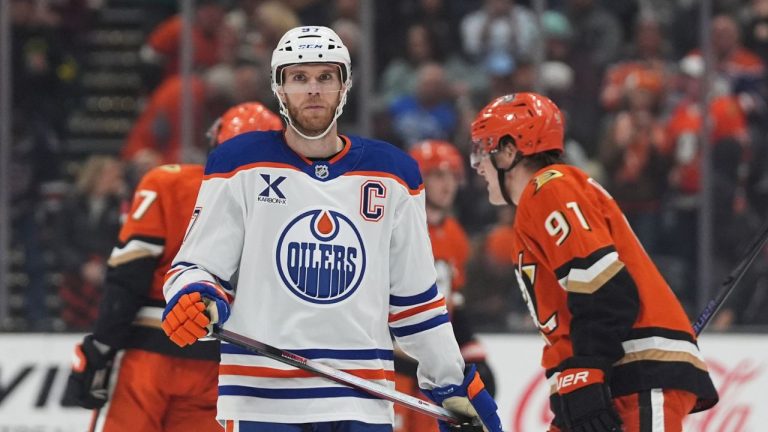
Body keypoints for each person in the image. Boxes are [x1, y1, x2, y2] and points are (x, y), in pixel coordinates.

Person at [160, 26, 502, 432]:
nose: (313, 90)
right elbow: (195, 265)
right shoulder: (238, 162)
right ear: (280, 88)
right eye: (299, 78)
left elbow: (416, 300)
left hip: (362, 399)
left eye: (326, 77)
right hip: (261, 400)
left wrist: (451, 382)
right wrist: (194, 295)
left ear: (345, 86)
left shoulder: (394, 174)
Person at [469, 92, 719, 432]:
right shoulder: (541, 203)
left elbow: (605, 290)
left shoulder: (549, 188)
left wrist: (585, 370)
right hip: (605, 378)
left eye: (485, 149)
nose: (477, 164)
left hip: (633, 375)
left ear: (511, 150)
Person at [61, 102, 283, 432]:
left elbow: (128, 276)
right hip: (218, 364)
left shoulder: (168, 182)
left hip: (147, 357)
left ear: (216, 141)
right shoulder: (286, 210)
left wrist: (101, 348)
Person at [393, 140, 497, 432]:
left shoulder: (455, 236)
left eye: (452, 175)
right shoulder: (396, 228)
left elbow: (454, 304)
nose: (447, 184)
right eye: (438, 175)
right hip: (395, 368)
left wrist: (474, 354)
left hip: (435, 376)